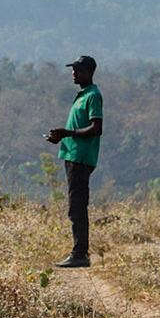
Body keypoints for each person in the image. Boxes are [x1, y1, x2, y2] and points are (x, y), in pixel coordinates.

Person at [46, 55, 103, 268]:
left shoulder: (93, 96)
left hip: (81, 157)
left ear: (90, 72)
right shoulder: (83, 95)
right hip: (72, 155)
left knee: (77, 206)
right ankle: (79, 252)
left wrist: (67, 133)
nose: (74, 73)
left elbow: (96, 128)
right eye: (73, 70)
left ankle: (80, 254)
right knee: (75, 205)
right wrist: (61, 137)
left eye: (78, 70)